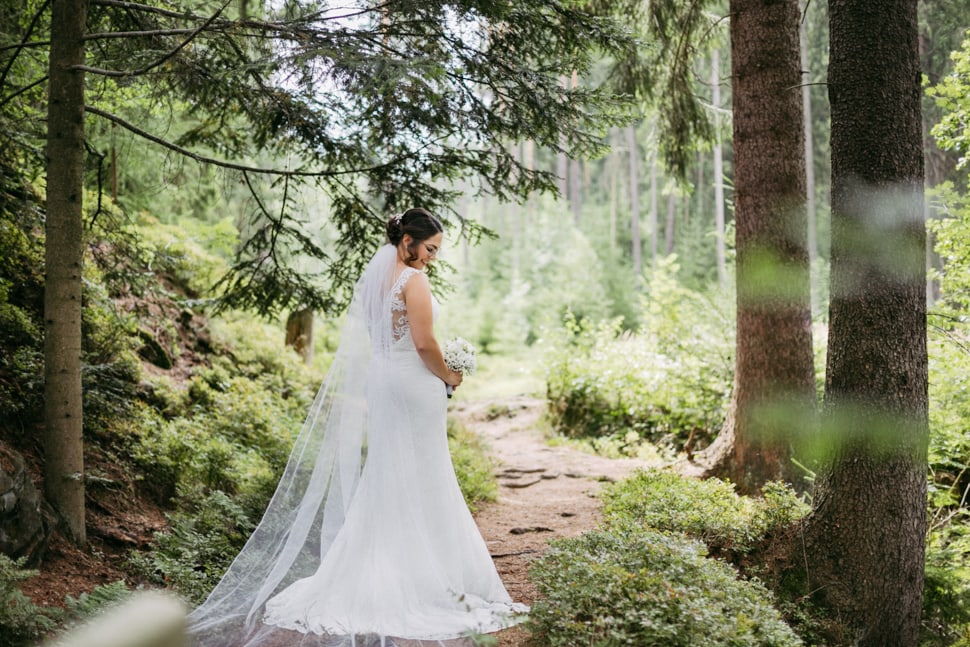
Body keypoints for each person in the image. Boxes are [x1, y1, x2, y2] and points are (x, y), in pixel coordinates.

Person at [187, 208, 527, 647]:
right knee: (425, 476)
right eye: (430, 248)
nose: (433, 258)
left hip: (384, 383)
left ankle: (386, 570)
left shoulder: (374, 281)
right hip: (412, 385)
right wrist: (450, 375)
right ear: (408, 241)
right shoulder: (414, 280)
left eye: (437, 251)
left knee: (389, 474)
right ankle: (426, 579)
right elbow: (423, 343)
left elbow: (383, 338)